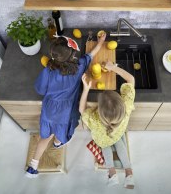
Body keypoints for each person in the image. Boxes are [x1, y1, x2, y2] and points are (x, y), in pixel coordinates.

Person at [26, 33, 106, 178]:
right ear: (73, 56)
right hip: (66, 113)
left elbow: (40, 89)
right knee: (61, 134)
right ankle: (58, 143)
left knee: (45, 136)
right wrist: (100, 42)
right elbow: (91, 55)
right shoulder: (79, 67)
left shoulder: (48, 70)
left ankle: (33, 166)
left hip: (49, 110)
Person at [80, 61, 135, 189]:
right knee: (120, 143)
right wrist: (113, 68)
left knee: (105, 147)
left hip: (102, 139)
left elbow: (81, 110)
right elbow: (131, 78)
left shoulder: (94, 119)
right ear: (121, 102)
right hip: (118, 133)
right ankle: (129, 172)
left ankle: (111, 172)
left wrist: (86, 89)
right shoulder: (126, 105)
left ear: (99, 111)